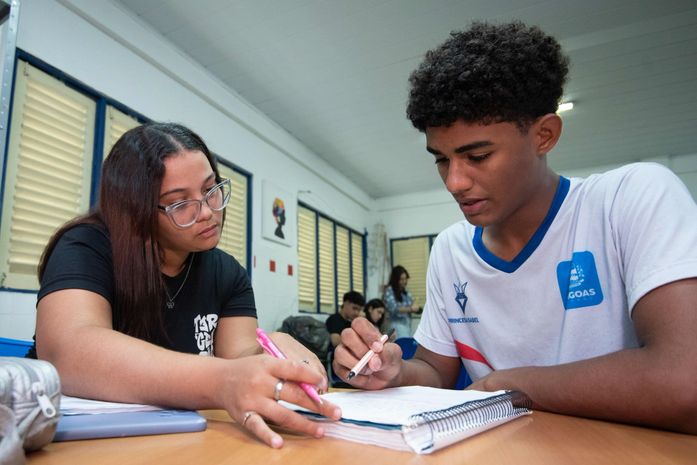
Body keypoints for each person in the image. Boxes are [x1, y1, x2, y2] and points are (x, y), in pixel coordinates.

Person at [333, 21, 697, 434]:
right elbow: (436, 370)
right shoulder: (452, 249)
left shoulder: (631, 200)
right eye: (441, 159)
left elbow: (685, 380)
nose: (454, 182)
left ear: (544, 135)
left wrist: (509, 385)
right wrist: (393, 373)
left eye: (479, 155)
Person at [31, 122, 340, 449]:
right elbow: (68, 351)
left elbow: (238, 358)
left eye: (211, 189)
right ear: (137, 213)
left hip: (179, 440)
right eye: (180, 204)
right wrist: (221, 380)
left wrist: (271, 352)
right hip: (72, 443)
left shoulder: (226, 272)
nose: (208, 212)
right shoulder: (86, 247)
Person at [383, 265, 420, 338]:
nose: (404, 282)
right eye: (402, 279)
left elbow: (414, 307)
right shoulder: (389, 291)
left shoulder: (406, 293)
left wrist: (417, 307)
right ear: (395, 280)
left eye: (406, 279)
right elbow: (393, 308)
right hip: (395, 325)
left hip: (407, 325)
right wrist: (411, 309)